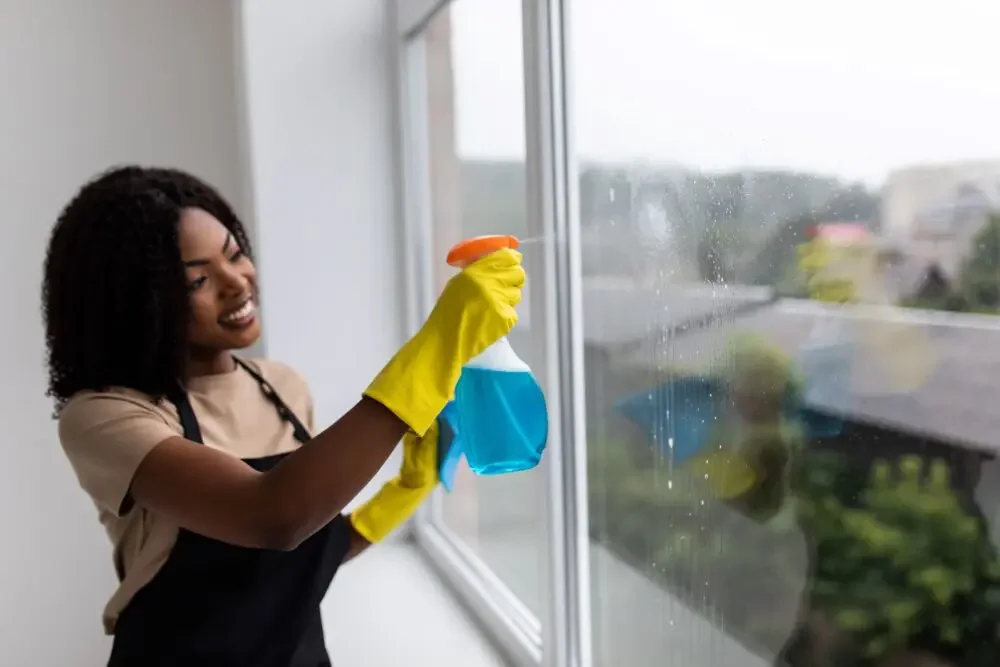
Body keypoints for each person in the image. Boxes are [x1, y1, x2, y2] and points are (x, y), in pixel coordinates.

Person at [42, 165, 525, 666]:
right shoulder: (107, 415)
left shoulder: (282, 386)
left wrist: (403, 493)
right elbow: (273, 516)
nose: (237, 283)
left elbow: (303, 552)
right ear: (133, 302)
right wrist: (436, 348)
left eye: (235, 254)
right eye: (198, 280)